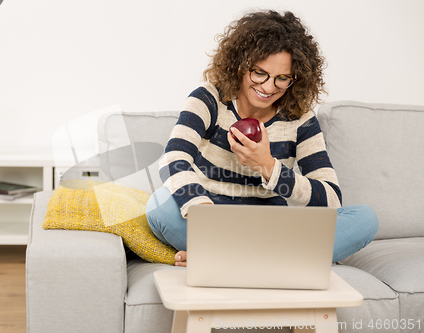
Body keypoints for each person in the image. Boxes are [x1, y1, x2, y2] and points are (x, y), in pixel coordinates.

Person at [146, 10, 379, 267]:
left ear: (295, 78)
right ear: (240, 64)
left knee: (365, 219)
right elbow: (174, 158)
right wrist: (204, 213)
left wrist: (267, 166)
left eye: (282, 79)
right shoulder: (209, 99)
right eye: (260, 73)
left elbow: (332, 199)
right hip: (213, 220)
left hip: (271, 227)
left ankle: (225, 260)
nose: (268, 87)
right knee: (159, 206)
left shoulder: (299, 118)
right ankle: (269, 261)